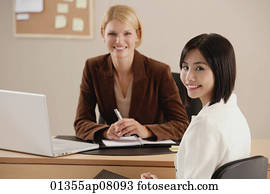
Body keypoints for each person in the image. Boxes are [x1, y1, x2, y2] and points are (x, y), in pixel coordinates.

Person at [141, 33, 251, 179]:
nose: (188, 77)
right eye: (185, 67)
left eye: (199, 68)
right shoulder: (233, 112)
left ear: (220, 71)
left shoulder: (205, 124)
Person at [74, 5, 189, 141]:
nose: (119, 41)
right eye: (112, 34)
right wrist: (105, 132)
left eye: (127, 33)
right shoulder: (92, 68)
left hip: (148, 154)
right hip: (111, 151)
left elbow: (182, 125)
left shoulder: (159, 71)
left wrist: (145, 130)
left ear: (138, 35)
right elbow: (81, 123)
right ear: (103, 34)